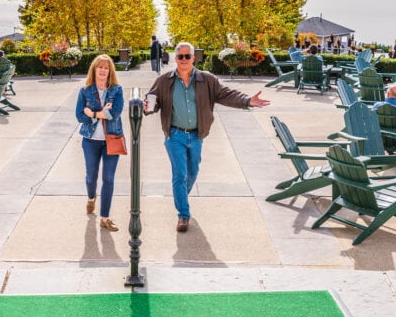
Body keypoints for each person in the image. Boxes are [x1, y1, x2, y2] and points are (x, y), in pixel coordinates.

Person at [145, 42, 270, 232]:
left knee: (193, 172)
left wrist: (247, 100)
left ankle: (180, 198)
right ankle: (183, 215)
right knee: (179, 175)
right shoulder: (164, 81)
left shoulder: (207, 80)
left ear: (194, 58)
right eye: (180, 56)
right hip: (174, 135)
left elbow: (227, 94)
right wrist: (148, 107)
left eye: (188, 56)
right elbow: (152, 100)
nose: (184, 60)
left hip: (197, 135)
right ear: (175, 58)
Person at [75, 54, 125, 232]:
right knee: (91, 177)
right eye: (100, 67)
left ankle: (105, 217)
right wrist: (101, 113)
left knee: (108, 178)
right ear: (94, 70)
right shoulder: (85, 91)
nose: (103, 70)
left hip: (111, 139)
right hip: (90, 141)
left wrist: (93, 114)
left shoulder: (116, 90)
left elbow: (115, 113)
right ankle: (91, 198)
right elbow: (79, 115)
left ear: (110, 71)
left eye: (106, 67)